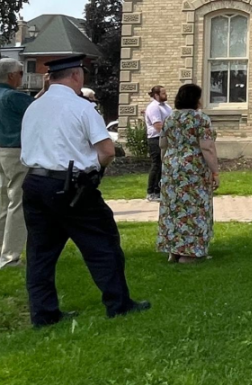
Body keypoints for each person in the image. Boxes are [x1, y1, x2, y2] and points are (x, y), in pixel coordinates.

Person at [20, 55, 149, 326]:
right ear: (76, 76)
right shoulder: (82, 107)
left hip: (34, 183)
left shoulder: (34, 107)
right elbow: (107, 151)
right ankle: (119, 304)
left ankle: (43, 314)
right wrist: (94, 171)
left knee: (40, 253)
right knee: (102, 243)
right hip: (71, 184)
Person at [157, 84, 220, 263]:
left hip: (171, 167)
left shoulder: (170, 118)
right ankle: (189, 253)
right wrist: (215, 171)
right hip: (193, 168)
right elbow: (207, 147)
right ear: (195, 99)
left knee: (173, 209)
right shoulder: (200, 119)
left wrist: (167, 164)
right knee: (194, 209)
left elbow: (163, 145)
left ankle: (173, 251)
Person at [0, 59, 33, 269]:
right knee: (18, 203)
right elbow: (38, 111)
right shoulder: (14, 96)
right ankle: (10, 256)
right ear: (12, 75)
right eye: (21, 73)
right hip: (15, 151)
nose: (22, 76)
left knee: (2, 203)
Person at [144, 85, 171, 202]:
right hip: (156, 139)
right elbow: (158, 125)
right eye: (163, 93)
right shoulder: (154, 107)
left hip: (165, 138)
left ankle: (160, 190)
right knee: (157, 164)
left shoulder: (166, 107)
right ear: (156, 95)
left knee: (164, 165)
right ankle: (151, 192)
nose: (166, 95)